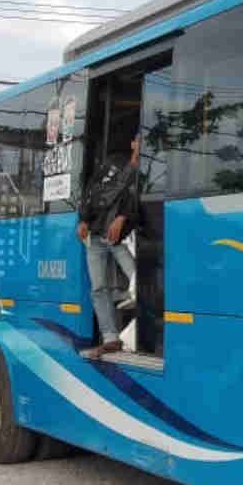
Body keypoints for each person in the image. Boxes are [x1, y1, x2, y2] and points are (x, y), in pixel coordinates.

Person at [77, 134, 146, 358]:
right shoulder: (115, 162)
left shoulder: (146, 170)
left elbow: (135, 199)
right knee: (98, 289)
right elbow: (91, 191)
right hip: (96, 235)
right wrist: (83, 219)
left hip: (120, 237)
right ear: (132, 142)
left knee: (139, 280)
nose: (139, 144)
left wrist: (122, 217)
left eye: (143, 140)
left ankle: (144, 334)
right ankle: (110, 338)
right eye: (137, 140)